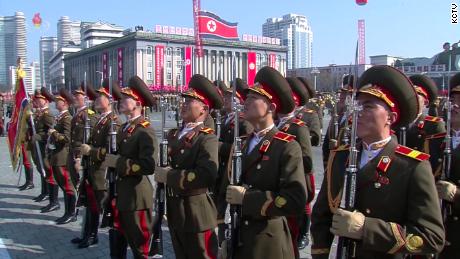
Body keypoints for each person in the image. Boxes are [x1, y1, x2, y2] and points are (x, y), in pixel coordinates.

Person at [311, 65, 445, 258]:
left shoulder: (412, 166)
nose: (358, 112)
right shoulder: (342, 156)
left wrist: (367, 228)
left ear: (391, 117)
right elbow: (321, 217)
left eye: (368, 106)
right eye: (357, 105)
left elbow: (431, 237)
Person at [221, 66, 307, 259]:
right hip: (240, 235)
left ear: (272, 107)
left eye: (253, 98)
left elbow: (295, 199)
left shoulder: (286, 146)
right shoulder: (242, 143)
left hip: (267, 240)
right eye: (247, 98)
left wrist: (247, 198)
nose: (246, 102)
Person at [155, 74, 222, 259]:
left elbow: (207, 175)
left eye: (190, 101)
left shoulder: (206, 137)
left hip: (196, 213)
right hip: (176, 211)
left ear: (204, 109)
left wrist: (169, 176)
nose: (183, 104)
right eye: (183, 100)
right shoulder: (174, 134)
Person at [104, 76, 157, 259]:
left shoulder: (145, 130)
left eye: (125, 98)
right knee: (118, 242)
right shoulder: (125, 127)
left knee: (139, 248)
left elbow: (148, 165)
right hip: (122, 193)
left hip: (137, 195)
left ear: (137, 103)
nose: (120, 101)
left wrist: (118, 163)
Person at [70, 82, 111, 248]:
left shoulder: (112, 121)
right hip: (91, 170)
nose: (96, 99)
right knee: (90, 205)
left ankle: (95, 235)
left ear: (109, 100)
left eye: (101, 97)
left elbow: (108, 150)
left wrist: (90, 151)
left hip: (102, 173)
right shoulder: (98, 119)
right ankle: (89, 234)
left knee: (103, 208)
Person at [424, 72, 460, 259]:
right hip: (435, 235)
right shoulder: (434, 141)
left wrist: (456, 195)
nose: (454, 105)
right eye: (453, 99)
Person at [49, 88, 76, 224]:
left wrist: (54, 133)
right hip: (56, 155)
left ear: (65, 103)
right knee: (62, 184)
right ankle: (67, 212)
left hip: (63, 156)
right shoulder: (60, 117)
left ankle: (71, 213)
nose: (55, 103)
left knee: (67, 185)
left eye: (58, 101)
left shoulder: (67, 119)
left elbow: (67, 138)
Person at [399, 74, 445, 151]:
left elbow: (436, 156)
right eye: (409, 97)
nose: (411, 101)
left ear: (426, 102)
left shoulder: (434, 124)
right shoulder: (398, 121)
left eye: (416, 97)